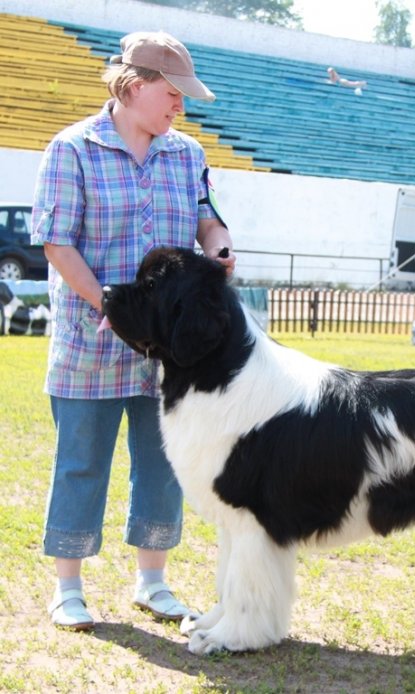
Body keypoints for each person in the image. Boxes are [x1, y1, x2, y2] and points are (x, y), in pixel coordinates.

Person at [32, 31, 236, 631]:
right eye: (172, 93)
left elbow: (207, 218)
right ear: (132, 86)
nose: (180, 105)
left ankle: (153, 582)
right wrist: (109, 305)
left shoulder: (188, 154)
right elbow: (56, 243)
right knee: (80, 463)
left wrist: (219, 247)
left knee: (163, 463)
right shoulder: (71, 149)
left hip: (168, 351)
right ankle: (68, 589)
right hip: (89, 342)